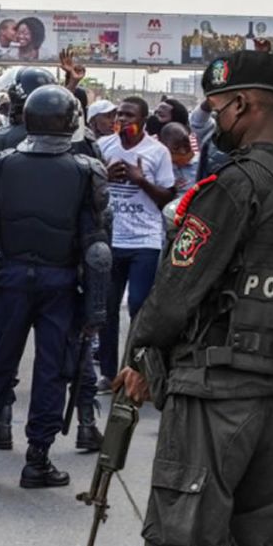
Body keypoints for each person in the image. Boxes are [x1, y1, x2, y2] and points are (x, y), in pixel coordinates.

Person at [117, 50, 273, 546]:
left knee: (182, 538)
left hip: (212, 393)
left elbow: (174, 294)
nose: (214, 118)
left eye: (217, 106)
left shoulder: (229, 186)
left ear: (243, 105)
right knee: (261, 542)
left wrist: (139, 356)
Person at [0, 85, 110, 487]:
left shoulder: (2, 163)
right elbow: (96, 251)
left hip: (11, 281)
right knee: (51, 373)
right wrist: (95, 312)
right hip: (58, 284)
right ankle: (37, 458)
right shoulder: (85, 169)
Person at [95, 97, 175, 392]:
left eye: (130, 115)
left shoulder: (158, 152)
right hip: (110, 239)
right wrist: (104, 175)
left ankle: (136, 370)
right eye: (120, 114)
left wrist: (140, 180)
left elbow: (166, 197)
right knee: (106, 308)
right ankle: (106, 372)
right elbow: (87, 186)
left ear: (143, 119)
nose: (123, 120)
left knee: (139, 305)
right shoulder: (105, 147)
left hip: (145, 240)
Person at [159, 122, 198, 196]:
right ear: (164, 147)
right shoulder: (160, 167)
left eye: (186, 146)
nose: (183, 152)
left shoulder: (200, 164)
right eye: (176, 148)